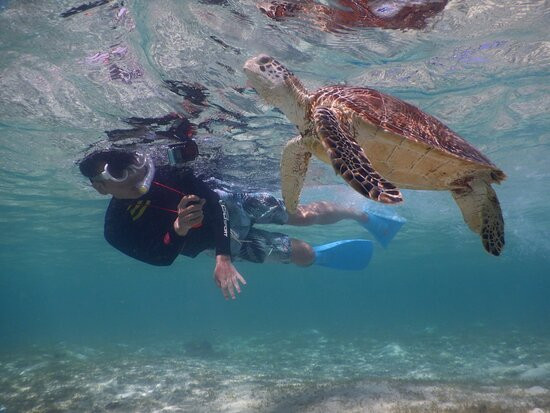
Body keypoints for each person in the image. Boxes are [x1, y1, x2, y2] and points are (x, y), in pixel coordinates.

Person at [78, 146, 404, 300]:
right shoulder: (116, 228)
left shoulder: (168, 174)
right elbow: (159, 258)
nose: (140, 181)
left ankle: (364, 216)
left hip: (232, 207)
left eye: (138, 171)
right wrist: (177, 230)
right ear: (100, 186)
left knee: (301, 215)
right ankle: (324, 255)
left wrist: (223, 257)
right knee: (301, 254)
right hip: (217, 244)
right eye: (128, 182)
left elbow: (217, 204)